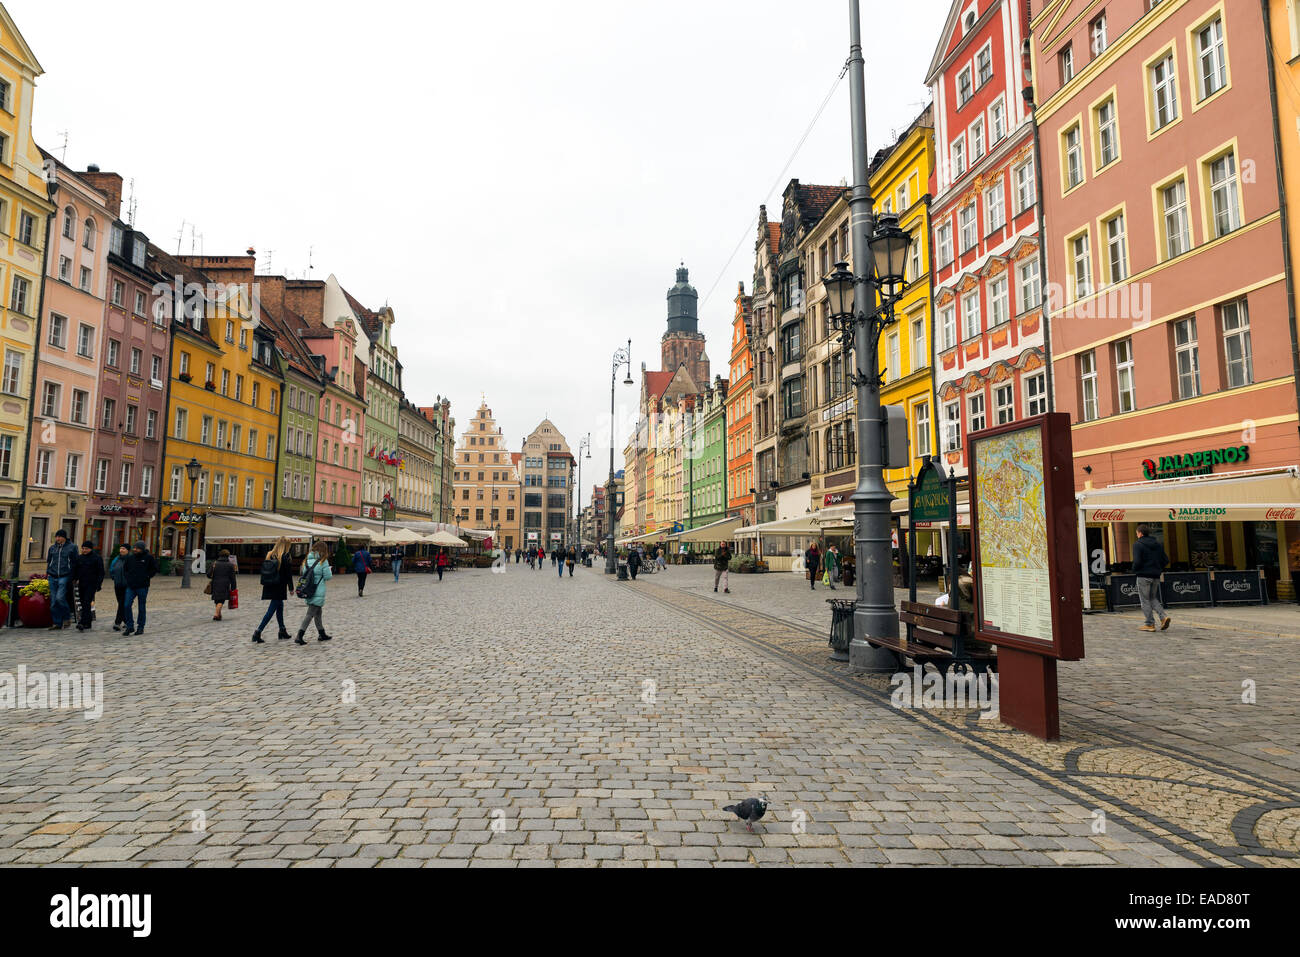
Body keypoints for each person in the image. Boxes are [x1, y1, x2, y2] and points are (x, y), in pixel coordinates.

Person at [253, 537, 295, 644]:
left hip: (269, 584)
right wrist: (291, 588)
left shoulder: (270, 554)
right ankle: (258, 632)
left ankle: (282, 630)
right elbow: (288, 574)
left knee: (279, 607)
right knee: (271, 610)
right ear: (286, 545)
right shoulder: (285, 556)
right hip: (279, 586)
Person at [1132, 524, 1171, 633]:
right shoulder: (1157, 544)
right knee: (1152, 598)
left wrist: (1134, 570)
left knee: (1145, 600)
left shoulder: (1138, 544)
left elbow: (1137, 561)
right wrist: (1157, 568)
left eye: (1136, 533)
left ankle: (1149, 624)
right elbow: (1165, 560)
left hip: (1143, 576)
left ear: (1140, 533)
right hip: (1155, 575)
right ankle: (1163, 617)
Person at [294, 540, 334, 645]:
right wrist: (329, 569)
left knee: (318, 613)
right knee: (310, 614)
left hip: (308, 589)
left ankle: (322, 634)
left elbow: (302, 573)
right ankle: (299, 635)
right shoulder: (323, 561)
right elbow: (328, 577)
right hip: (318, 590)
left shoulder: (306, 560)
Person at [120, 541, 157, 637]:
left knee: (141, 607)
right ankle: (130, 626)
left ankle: (141, 627)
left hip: (142, 586)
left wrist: (147, 576)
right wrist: (128, 578)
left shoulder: (148, 558)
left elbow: (154, 569)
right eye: (134, 547)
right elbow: (125, 569)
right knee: (126, 605)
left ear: (142, 549)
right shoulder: (130, 558)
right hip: (131, 586)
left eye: (137, 548)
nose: (135, 549)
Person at [45, 529, 79, 630]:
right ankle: (57, 623)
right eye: (56, 537)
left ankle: (66, 617)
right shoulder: (52, 548)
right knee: (54, 602)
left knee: (60, 598)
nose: (57, 538)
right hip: (52, 576)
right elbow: (49, 561)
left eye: (59, 537)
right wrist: (47, 573)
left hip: (64, 576)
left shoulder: (72, 547)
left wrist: (74, 576)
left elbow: (75, 563)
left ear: (64, 537)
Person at [73, 541, 105, 632]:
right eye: (83, 548)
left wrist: (98, 584)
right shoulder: (79, 558)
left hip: (92, 584)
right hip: (81, 583)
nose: (84, 550)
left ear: (91, 549)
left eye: (86, 549)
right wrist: (75, 578)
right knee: (83, 603)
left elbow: (101, 572)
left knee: (87, 602)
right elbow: (76, 570)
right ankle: (88, 622)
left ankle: (82, 622)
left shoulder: (97, 558)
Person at [208, 548, 237, 621]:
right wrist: (233, 587)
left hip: (215, 583)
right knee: (221, 600)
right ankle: (216, 614)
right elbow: (233, 578)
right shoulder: (230, 565)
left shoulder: (214, 563)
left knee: (217, 600)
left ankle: (219, 615)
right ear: (228, 556)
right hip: (225, 584)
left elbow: (208, 575)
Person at [108, 544, 130, 632]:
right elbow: (111, 568)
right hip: (117, 584)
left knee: (122, 603)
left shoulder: (130, 559)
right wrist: (113, 576)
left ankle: (117, 622)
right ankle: (127, 621)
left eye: (123, 549)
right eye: (120, 548)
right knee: (121, 603)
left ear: (128, 550)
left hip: (127, 585)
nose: (121, 550)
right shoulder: (116, 559)